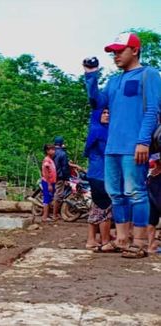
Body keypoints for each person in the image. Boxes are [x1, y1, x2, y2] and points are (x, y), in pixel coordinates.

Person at [84, 32, 161, 258]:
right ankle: (122, 239)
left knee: (136, 192)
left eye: (120, 51)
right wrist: (90, 77)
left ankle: (138, 243)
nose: (115, 55)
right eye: (113, 52)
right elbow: (97, 102)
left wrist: (143, 141)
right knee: (116, 194)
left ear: (134, 50)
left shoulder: (149, 75)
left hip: (134, 146)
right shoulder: (114, 80)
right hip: (112, 147)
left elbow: (152, 111)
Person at [84, 108, 112, 249]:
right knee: (105, 207)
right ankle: (105, 241)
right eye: (104, 113)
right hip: (101, 174)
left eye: (108, 113)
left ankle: (91, 240)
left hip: (95, 173)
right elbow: (107, 151)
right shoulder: (100, 131)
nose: (107, 115)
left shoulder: (95, 129)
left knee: (96, 207)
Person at [53, 136, 71, 220]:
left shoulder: (51, 152)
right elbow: (64, 167)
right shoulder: (62, 153)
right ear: (61, 143)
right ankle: (55, 214)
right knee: (58, 195)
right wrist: (66, 179)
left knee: (53, 193)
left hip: (50, 177)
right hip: (59, 177)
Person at [147, 154, 161, 254]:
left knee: (152, 219)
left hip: (153, 182)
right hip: (155, 183)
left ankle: (151, 245)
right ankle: (151, 245)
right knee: (152, 218)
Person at [41, 144, 56, 223]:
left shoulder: (51, 160)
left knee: (50, 198)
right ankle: (44, 217)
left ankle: (47, 215)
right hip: (47, 182)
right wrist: (49, 184)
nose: (53, 151)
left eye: (54, 149)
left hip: (52, 182)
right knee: (47, 198)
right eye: (51, 149)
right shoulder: (47, 160)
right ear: (47, 151)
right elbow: (46, 173)